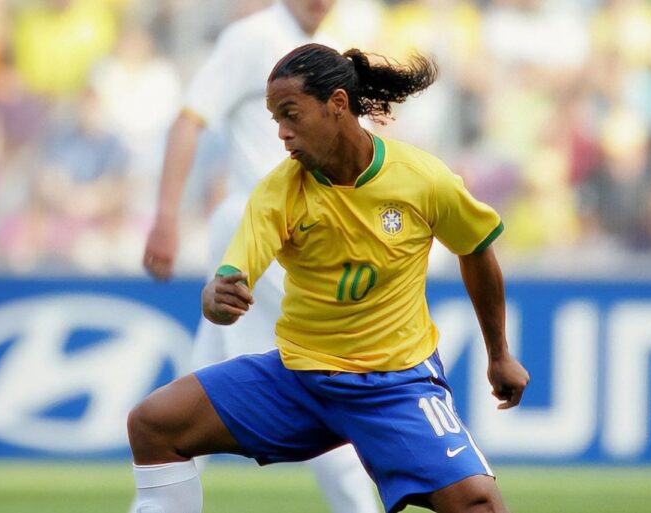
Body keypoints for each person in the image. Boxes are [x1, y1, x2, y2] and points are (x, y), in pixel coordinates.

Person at [129, 43, 530, 513]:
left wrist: (499, 354)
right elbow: (233, 274)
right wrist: (216, 296)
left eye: (291, 114)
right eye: (275, 118)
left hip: (394, 386)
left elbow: (476, 248)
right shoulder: (279, 191)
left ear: (337, 104)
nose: (281, 132)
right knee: (153, 424)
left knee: (481, 507)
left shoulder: (423, 180)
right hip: (301, 379)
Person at [140, 2, 380, 513]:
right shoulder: (253, 37)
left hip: (289, 228)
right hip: (266, 227)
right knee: (322, 368)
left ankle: (157, 504)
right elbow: (190, 120)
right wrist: (166, 215)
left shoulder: (326, 43)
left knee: (207, 371)